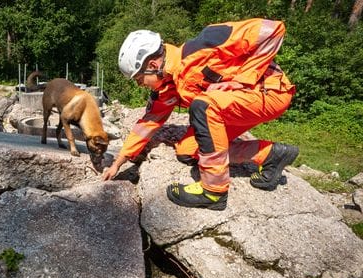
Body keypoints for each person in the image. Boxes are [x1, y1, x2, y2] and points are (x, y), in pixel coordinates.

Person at [102, 18, 299, 211]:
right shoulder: (167, 87)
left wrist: (244, 79)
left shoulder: (206, 43)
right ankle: (270, 155)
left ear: (153, 65)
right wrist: (118, 162)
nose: (139, 84)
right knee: (187, 151)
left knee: (203, 106)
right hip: (234, 104)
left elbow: (272, 29)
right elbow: (148, 124)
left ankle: (213, 191)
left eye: (138, 78)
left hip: (270, 92)